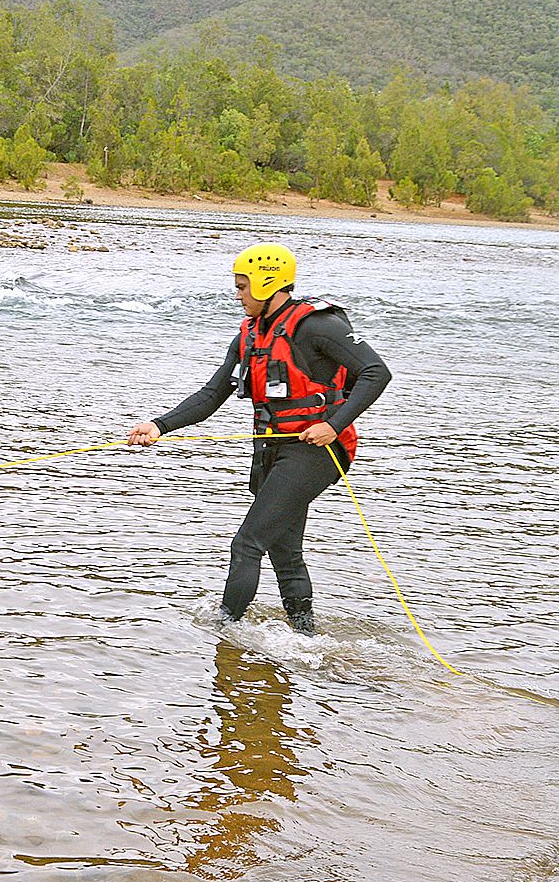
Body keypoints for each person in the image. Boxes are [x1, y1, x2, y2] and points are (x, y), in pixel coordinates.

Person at [127, 243, 391, 633]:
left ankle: (223, 633)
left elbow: (376, 372)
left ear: (267, 283)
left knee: (247, 543)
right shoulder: (250, 334)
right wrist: (159, 425)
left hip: (315, 452)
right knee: (284, 552)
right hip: (270, 449)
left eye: (242, 287)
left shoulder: (318, 326)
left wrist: (333, 425)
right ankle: (306, 638)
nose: (237, 295)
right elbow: (212, 394)